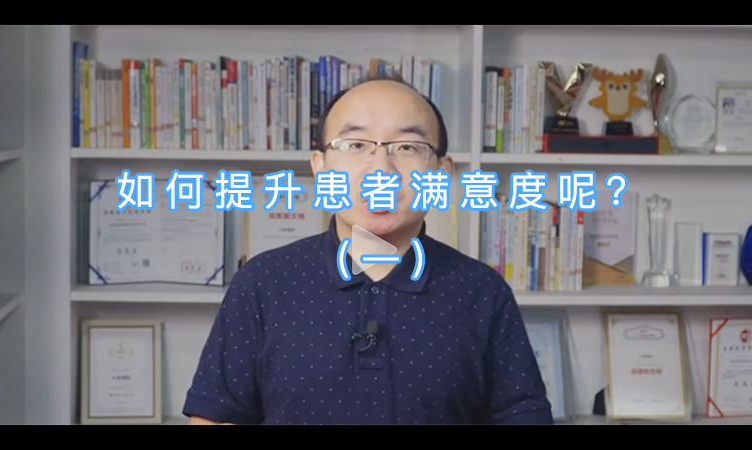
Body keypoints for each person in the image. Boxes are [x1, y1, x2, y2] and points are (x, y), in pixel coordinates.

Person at [182, 73, 553, 425]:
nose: (381, 170)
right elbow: (216, 415)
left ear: (441, 173)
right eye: (356, 145)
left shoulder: (482, 291)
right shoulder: (263, 282)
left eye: (407, 147)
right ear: (320, 168)